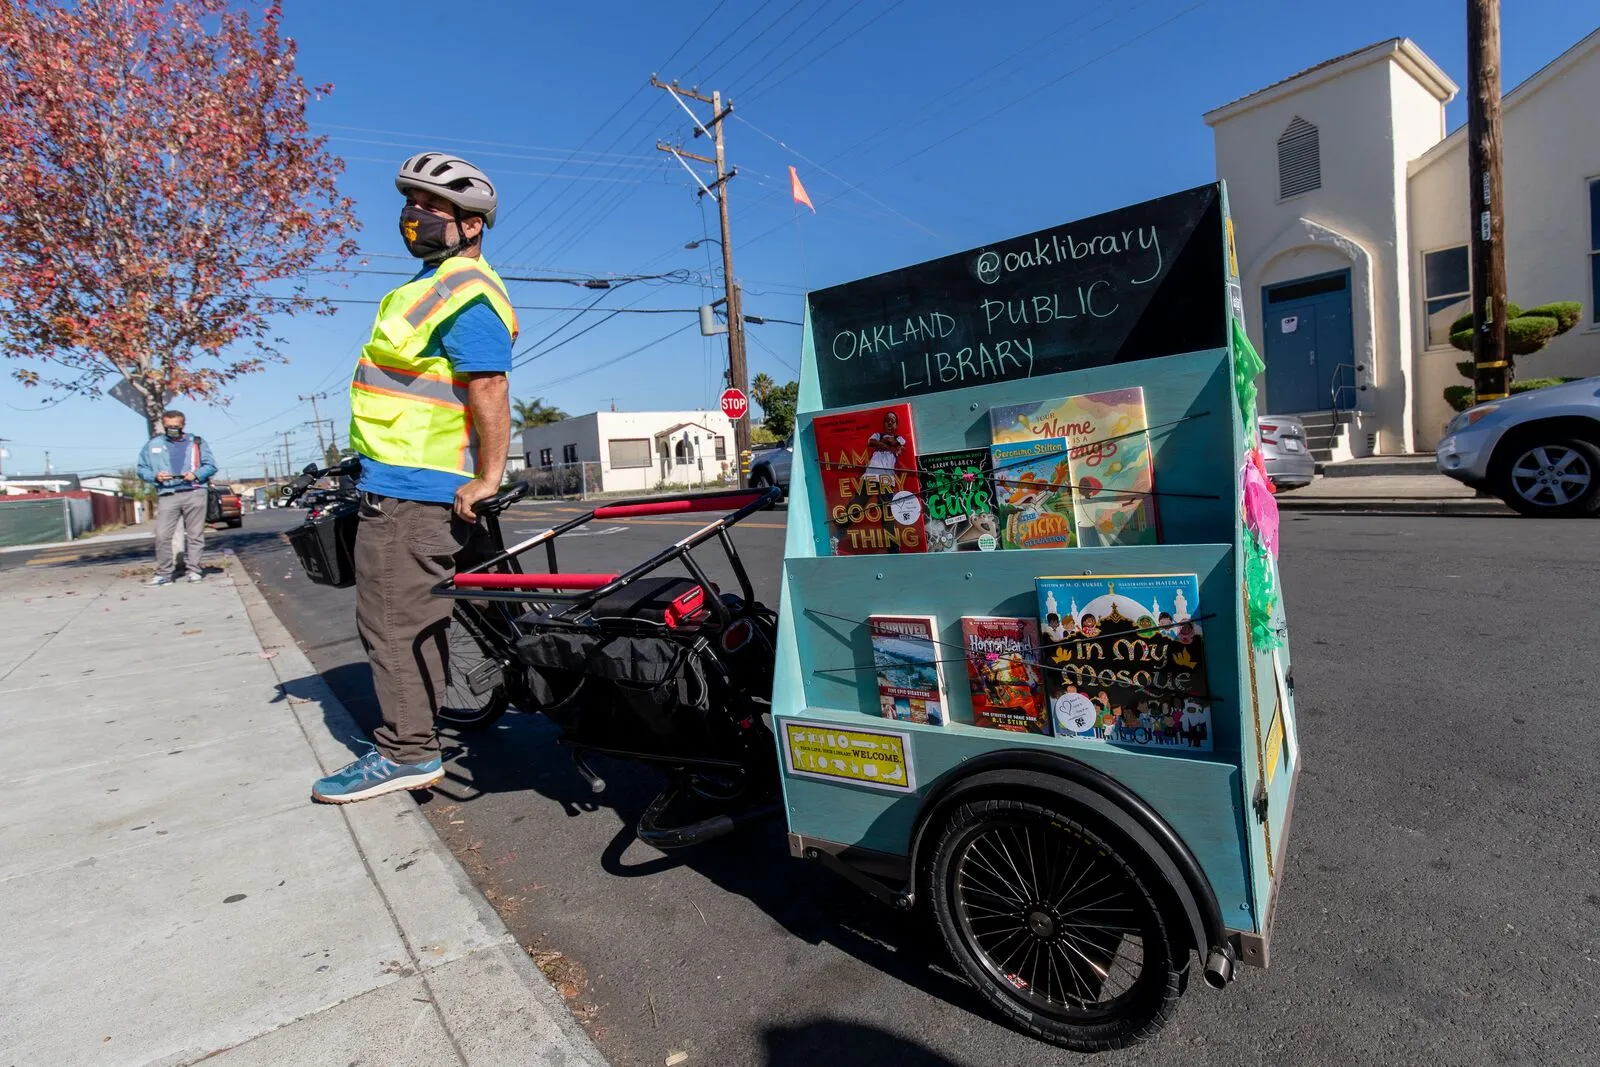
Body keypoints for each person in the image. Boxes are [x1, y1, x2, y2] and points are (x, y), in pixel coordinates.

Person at [311, 152, 517, 804]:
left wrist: (489, 474)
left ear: (471, 224)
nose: (413, 217)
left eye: (431, 207)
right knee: (428, 620)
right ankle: (424, 728)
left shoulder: (463, 289)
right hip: (404, 479)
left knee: (391, 624)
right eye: (410, 204)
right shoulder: (431, 286)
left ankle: (405, 752)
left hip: (414, 493)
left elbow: (489, 384)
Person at [136, 410, 216, 585]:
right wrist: (155, 476)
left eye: (176, 426)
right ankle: (164, 573)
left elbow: (211, 466)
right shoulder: (152, 445)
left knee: (195, 534)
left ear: (183, 425)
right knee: (162, 535)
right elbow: (141, 469)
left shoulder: (197, 443)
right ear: (164, 425)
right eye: (168, 426)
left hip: (194, 491)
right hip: (167, 493)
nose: (172, 429)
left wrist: (196, 475)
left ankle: (194, 570)